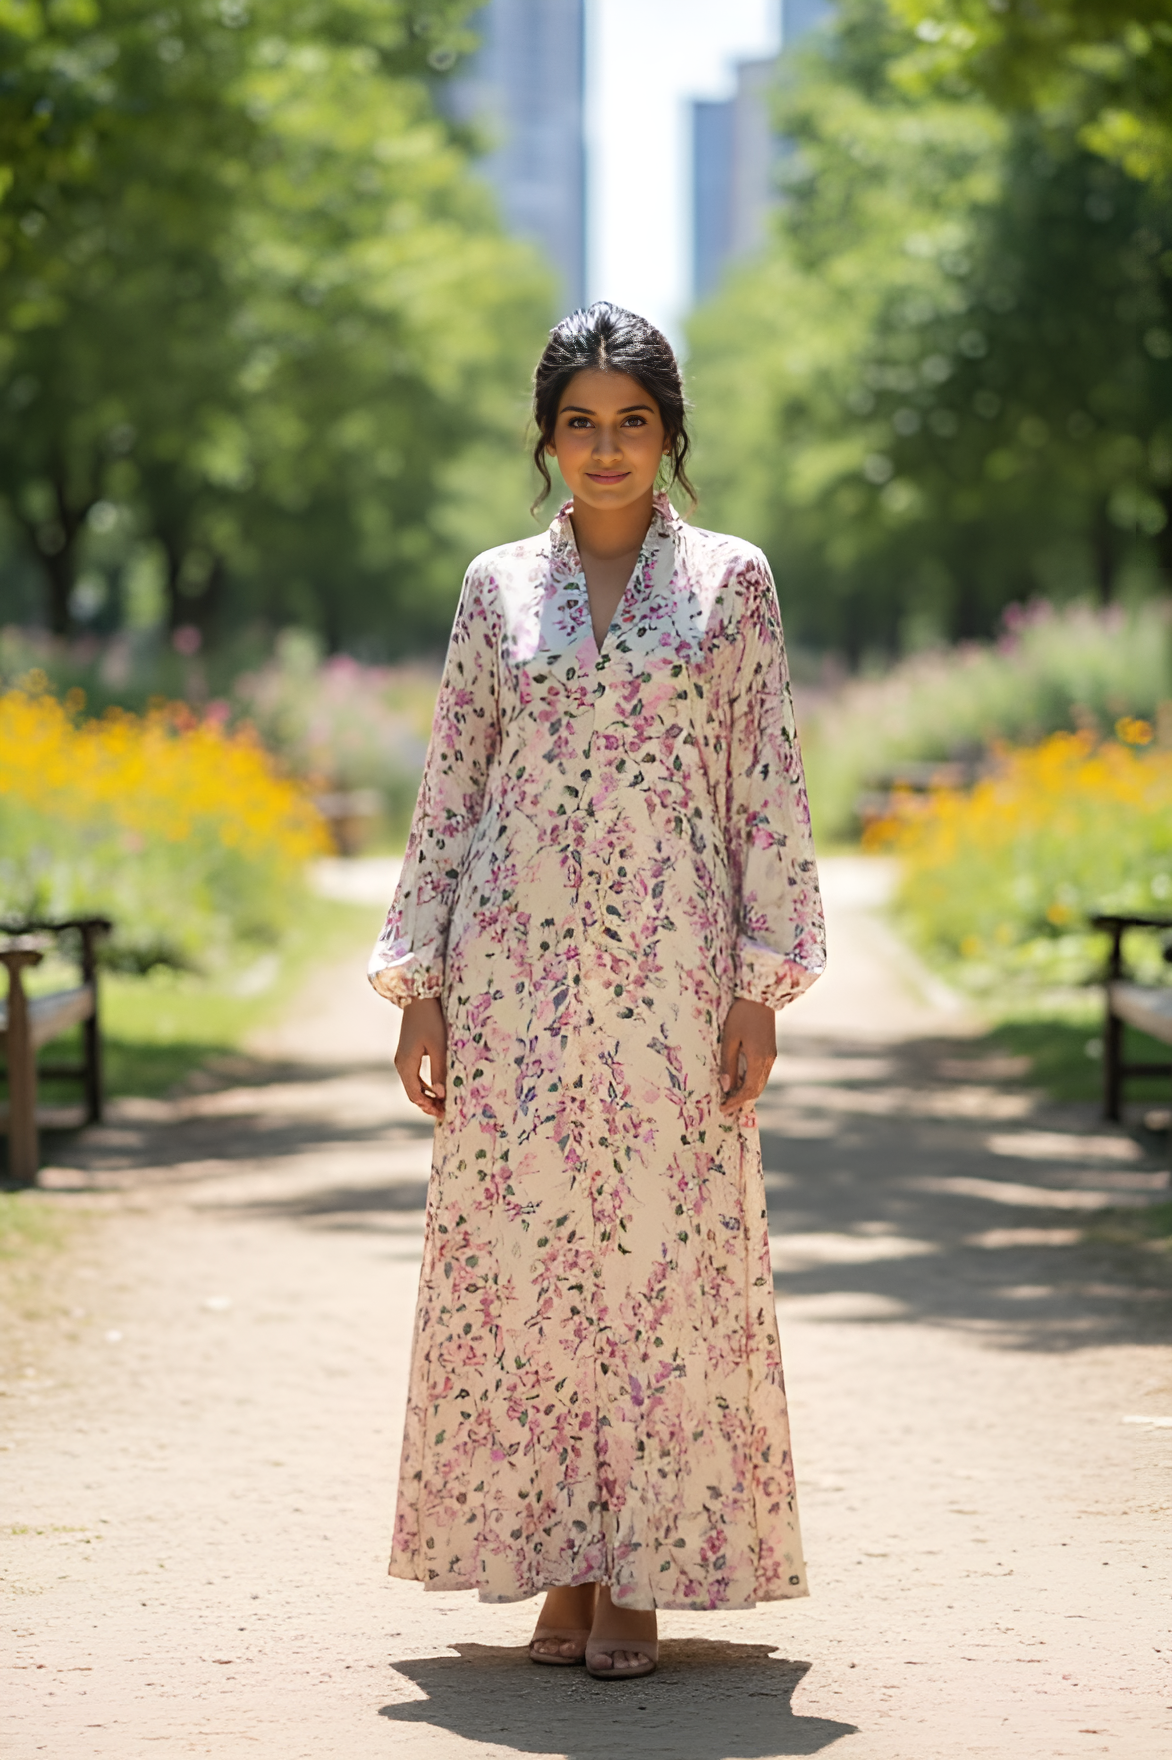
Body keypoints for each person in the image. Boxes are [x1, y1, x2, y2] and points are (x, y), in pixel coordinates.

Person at [369, 302, 825, 1682]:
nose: (607, 446)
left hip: (673, 983)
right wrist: (422, 984)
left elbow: (765, 785)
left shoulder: (732, 583)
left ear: (670, 435)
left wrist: (758, 985)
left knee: (662, 1268)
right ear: (548, 438)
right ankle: (560, 1567)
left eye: (633, 421)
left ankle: (643, 1574)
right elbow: (454, 786)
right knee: (525, 1272)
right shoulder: (497, 587)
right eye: (581, 422)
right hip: (512, 980)